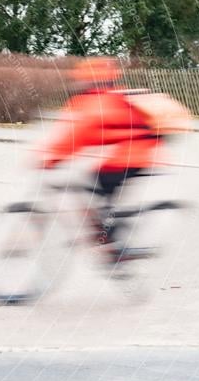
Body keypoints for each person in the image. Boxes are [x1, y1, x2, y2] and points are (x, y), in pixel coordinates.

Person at [41, 57, 190, 251]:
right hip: (139, 155)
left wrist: (51, 158)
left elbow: (76, 136)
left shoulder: (95, 102)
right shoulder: (112, 97)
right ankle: (109, 236)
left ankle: (113, 243)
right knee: (98, 190)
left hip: (128, 158)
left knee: (99, 186)